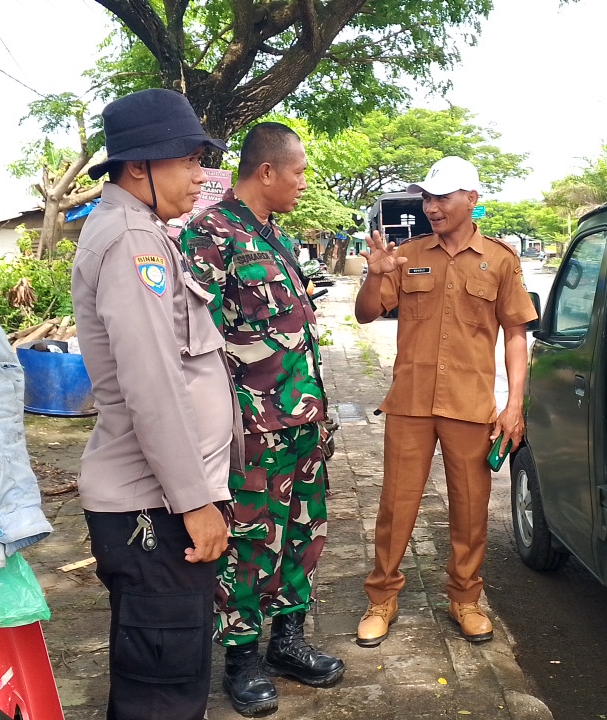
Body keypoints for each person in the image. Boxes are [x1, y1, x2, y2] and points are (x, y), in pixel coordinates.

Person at [72, 88, 240, 720]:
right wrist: (195, 503)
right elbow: (152, 384)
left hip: (159, 502)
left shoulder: (144, 232)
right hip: (156, 509)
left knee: (165, 677)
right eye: (189, 160)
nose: (201, 176)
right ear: (140, 166)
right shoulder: (131, 241)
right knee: (161, 694)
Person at [182, 122, 343, 717]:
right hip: (252, 428)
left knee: (303, 531)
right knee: (250, 541)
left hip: (302, 420)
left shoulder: (274, 235)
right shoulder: (210, 234)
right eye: (297, 172)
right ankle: (242, 657)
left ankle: (288, 641)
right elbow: (195, 340)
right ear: (267, 171)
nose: (303, 183)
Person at [353, 156, 539, 646]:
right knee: (396, 505)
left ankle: (465, 598)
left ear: (471, 199)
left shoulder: (500, 260)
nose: (431, 207)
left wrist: (514, 404)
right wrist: (373, 275)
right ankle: (382, 598)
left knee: (471, 508)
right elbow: (367, 314)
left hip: (470, 404)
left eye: (442, 198)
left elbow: (515, 334)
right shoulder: (407, 254)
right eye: (428, 199)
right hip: (410, 402)